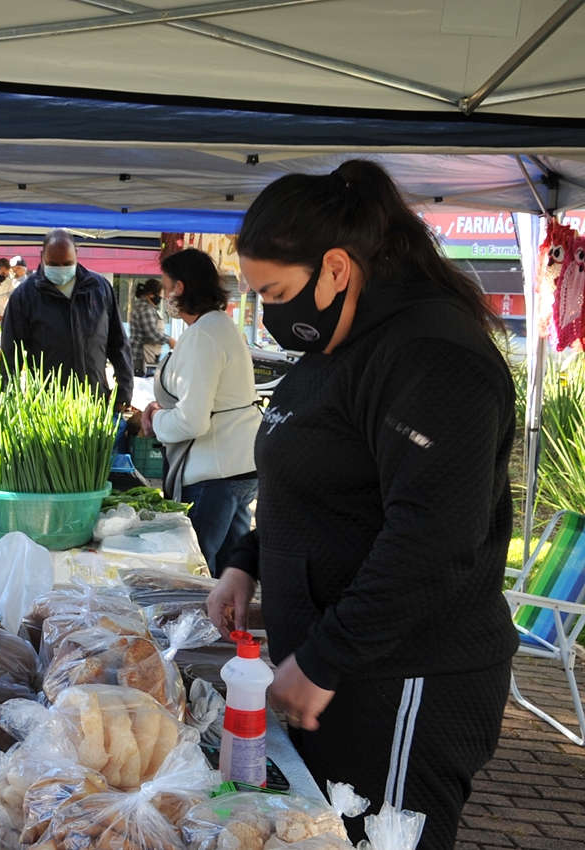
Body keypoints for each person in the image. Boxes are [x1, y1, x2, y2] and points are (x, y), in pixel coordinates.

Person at [206, 160, 517, 850]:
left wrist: (325, 658)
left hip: (404, 680)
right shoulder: (336, 345)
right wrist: (244, 563)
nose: (268, 313)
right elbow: (305, 480)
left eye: (275, 291)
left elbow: (432, 536)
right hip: (337, 668)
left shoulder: (433, 356)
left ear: (337, 269)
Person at [138, 250, 259, 575]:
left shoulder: (203, 336)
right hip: (237, 466)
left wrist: (155, 418)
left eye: (166, 288)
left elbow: (192, 420)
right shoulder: (219, 326)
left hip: (214, 473)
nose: (164, 297)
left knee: (197, 573)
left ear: (179, 288)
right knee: (229, 572)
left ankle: (208, 627)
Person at [0, 228, 133, 410]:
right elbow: (10, 354)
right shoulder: (24, 296)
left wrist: (123, 393)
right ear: (41, 256)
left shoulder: (99, 288)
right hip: (47, 407)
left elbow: (118, 343)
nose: (61, 269)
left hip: (95, 402)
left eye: (67, 263)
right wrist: (9, 401)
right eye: (53, 264)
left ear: (76, 255)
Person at [128, 278, 173, 376]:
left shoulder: (147, 307)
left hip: (145, 356)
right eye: (160, 294)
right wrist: (169, 340)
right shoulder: (145, 308)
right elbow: (152, 332)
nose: (161, 297)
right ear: (151, 294)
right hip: (140, 357)